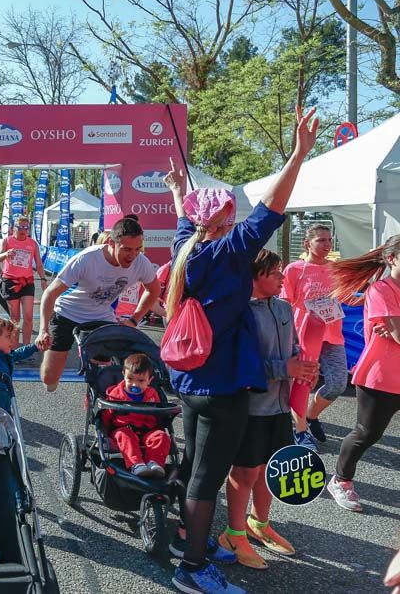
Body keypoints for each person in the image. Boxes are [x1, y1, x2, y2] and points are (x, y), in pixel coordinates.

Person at [162, 107, 319, 594]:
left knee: (194, 467)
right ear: (226, 218)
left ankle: (188, 541)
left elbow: (187, 218)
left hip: (190, 382)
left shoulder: (185, 247)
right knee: (206, 479)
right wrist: (297, 155)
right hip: (223, 385)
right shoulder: (229, 253)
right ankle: (191, 569)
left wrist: (176, 192)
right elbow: (271, 211)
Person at [219, 250, 316, 569]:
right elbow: (236, 363)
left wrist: (303, 367)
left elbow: (294, 349)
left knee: (271, 469)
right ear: (257, 276)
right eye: (275, 273)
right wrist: (283, 368)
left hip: (279, 406)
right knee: (245, 471)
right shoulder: (239, 312)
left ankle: (259, 524)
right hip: (250, 407)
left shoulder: (286, 307)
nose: (281, 278)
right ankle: (233, 534)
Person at [37, 217, 160, 391]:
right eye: (126, 249)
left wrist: (134, 320)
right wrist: (43, 330)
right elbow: (50, 293)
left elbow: (153, 290)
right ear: (111, 242)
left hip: (101, 316)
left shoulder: (140, 263)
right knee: (49, 379)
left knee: (105, 375)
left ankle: (96, 402)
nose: (132, 255)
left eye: (137, 249)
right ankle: (55, 373)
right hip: (68, 312)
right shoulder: (87, 259)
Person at [325, 234, 400, 512]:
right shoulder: (381, 290)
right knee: (366, 433)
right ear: (391, 259)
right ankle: (341, 480)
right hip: (379, 377)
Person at [280, 224, 348, 450]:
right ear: (307, 244)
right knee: (301, 385)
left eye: (329, 240)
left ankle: (311, 415)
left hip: (331, 335)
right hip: (304, 337)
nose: (327, 245)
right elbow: (285, 304)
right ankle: (300, 431)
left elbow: (346, 298)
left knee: (338, 383)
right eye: (321, 240)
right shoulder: (294, 269)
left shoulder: (336, 269)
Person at [101, 353, 170, 478]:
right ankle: (136, 465)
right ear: (124, 375)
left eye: (141, 381)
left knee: (161, 436)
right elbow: (106, 415)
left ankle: (154, 463)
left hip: (147, 430)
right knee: (126, 436)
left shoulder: (152, 394)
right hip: (122, 429)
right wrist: (103, 430)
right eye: (130, 379)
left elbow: (158, 414)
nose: (134, 384)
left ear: (150, 380)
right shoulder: (115, 394)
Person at [0, 215, 48, 346]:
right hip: (11, 282)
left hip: (27, 282)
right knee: (15, 318)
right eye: (21, 227)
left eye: (26, 227)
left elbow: (39, 264)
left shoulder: (32, 243)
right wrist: (6, 254)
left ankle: (26, 348)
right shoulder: (7, 241)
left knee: (28, 317)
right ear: (14, 228)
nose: (24, 230)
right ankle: (14, 348)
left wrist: (43, 279)